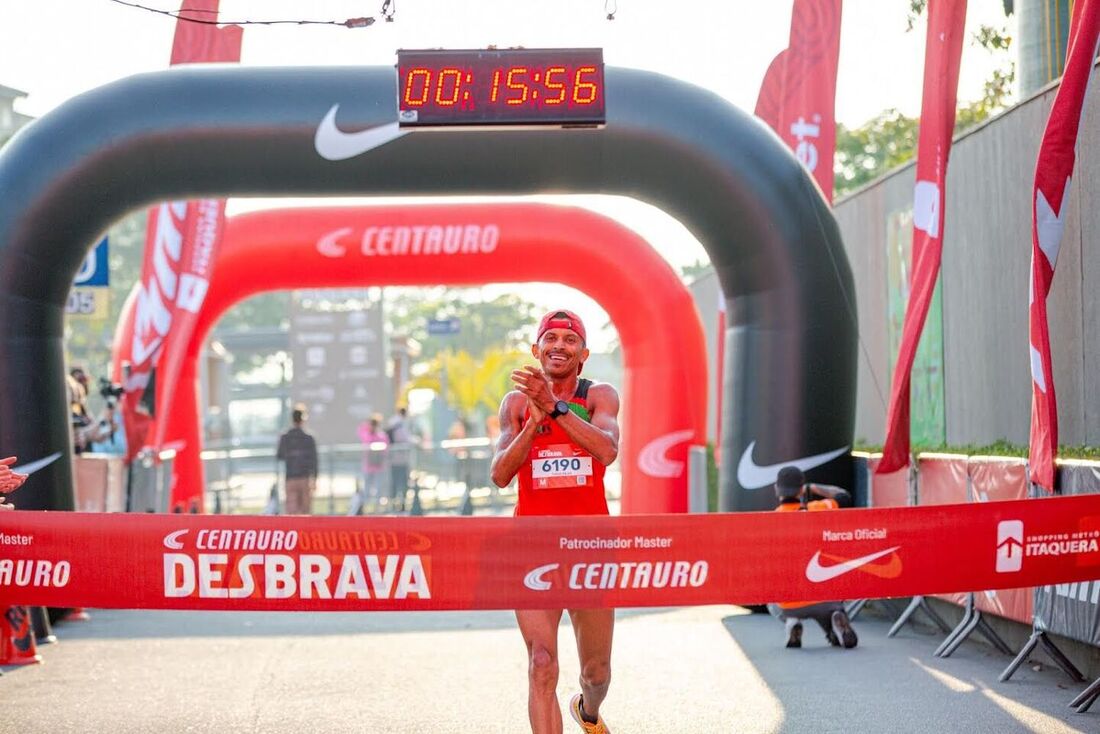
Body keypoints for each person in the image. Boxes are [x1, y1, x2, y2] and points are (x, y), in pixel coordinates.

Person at [490, 309, 620, 734]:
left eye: (569, 340)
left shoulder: (598, 395)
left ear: (583, 353)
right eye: (551, 339)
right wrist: (534, 423)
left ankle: (587, 710)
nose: (558, 346)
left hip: (591, 547)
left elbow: (606, 450)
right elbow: (499, 475)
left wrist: (557, 408)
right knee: (541, 663)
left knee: (596, 672)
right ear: (536, 350)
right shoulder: (515, 403)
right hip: (531, 546)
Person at [767, 465, 859, 649]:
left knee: (773, 601)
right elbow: (843, 496)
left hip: (790, 601)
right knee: (826, 605)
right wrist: (814, 488)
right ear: (802, 489)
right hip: (825, 597)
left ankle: (792, 621)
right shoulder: (818, 508)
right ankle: (835, 621)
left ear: (776, 489)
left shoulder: (771, 521)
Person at [276, 405, 318, 515]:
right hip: (305, 478)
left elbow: (280, 455)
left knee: (292, 513)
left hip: (290, 478)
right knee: (305, 512)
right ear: (303, 419)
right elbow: (314, 460)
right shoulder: (308, 438)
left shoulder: (285, 437)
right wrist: (315, 478)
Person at [385, 407, 415, 511]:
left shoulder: (392, 423)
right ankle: (401, 504)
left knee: (394, 482)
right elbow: (405, 439)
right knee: (402, 483)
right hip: (401, 460)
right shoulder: (399, 425)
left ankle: (394, 503)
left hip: (393, 460)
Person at [358, 414, 389, 508]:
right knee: (367, 487)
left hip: (379, 466)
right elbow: (361, 431)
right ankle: (366, 507)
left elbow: (386, 448)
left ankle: (378, 508)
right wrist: (368, 425)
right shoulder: (366, 434)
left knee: (379, 488)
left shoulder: (382, 435)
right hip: (368, 466)